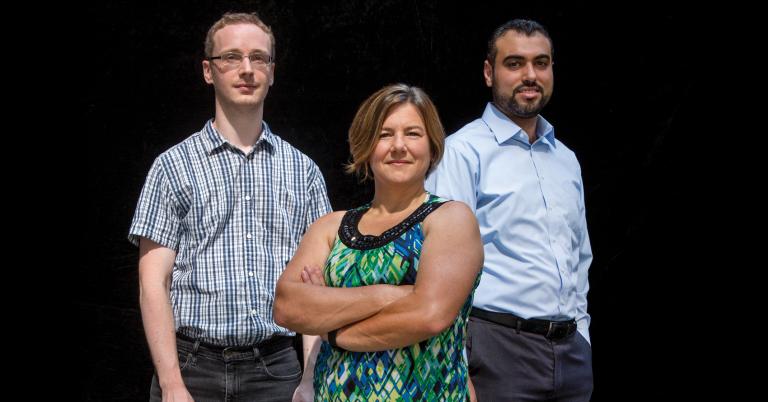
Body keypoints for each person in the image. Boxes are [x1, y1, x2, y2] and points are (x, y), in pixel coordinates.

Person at [127, 12, 331, 401]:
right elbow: (152, 283)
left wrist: (310, 378)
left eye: (259, 58)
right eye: (232, 57)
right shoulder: (172, 167)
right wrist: (171, 384)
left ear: (272, 73)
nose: (247, 69)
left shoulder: (303, 172)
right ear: (208, 71)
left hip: (276, 373)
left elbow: (316, 289)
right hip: (190, 368)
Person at [273, 83, 483, 401]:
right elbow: (287, 305)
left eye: (413, 133)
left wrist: (331, 328)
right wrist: (390, 294)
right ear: (366, 145)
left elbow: (428, 315)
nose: (398, 146)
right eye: (385, 135)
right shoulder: (330, 227)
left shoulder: (449, 219)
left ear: (432, 145)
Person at [425, 19, 594, 401]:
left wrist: (582, 334)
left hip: (571, 355)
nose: (530, 75)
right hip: (497, 353)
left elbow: (580, 257)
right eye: (514, 63)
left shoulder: (566, 160)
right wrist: (455, 362)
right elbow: (438, 268)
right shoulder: (462, 153)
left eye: (541, 63)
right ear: (489, 72)